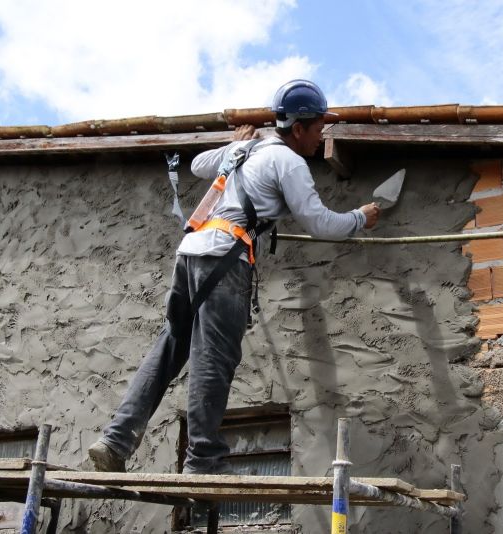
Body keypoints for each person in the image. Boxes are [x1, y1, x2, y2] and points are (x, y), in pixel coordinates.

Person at [88, 80, 381, 474]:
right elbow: (319, 222)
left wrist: (235, 144)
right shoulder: (288, 162)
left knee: (170, 349)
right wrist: (360, 218)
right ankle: (203, 460)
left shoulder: (250, 149)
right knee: (214, 359)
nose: (321, 136)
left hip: (191, 255)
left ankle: (115, 441)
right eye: (317, 128)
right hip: (224, 262)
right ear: (298, 128)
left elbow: (197, 165)